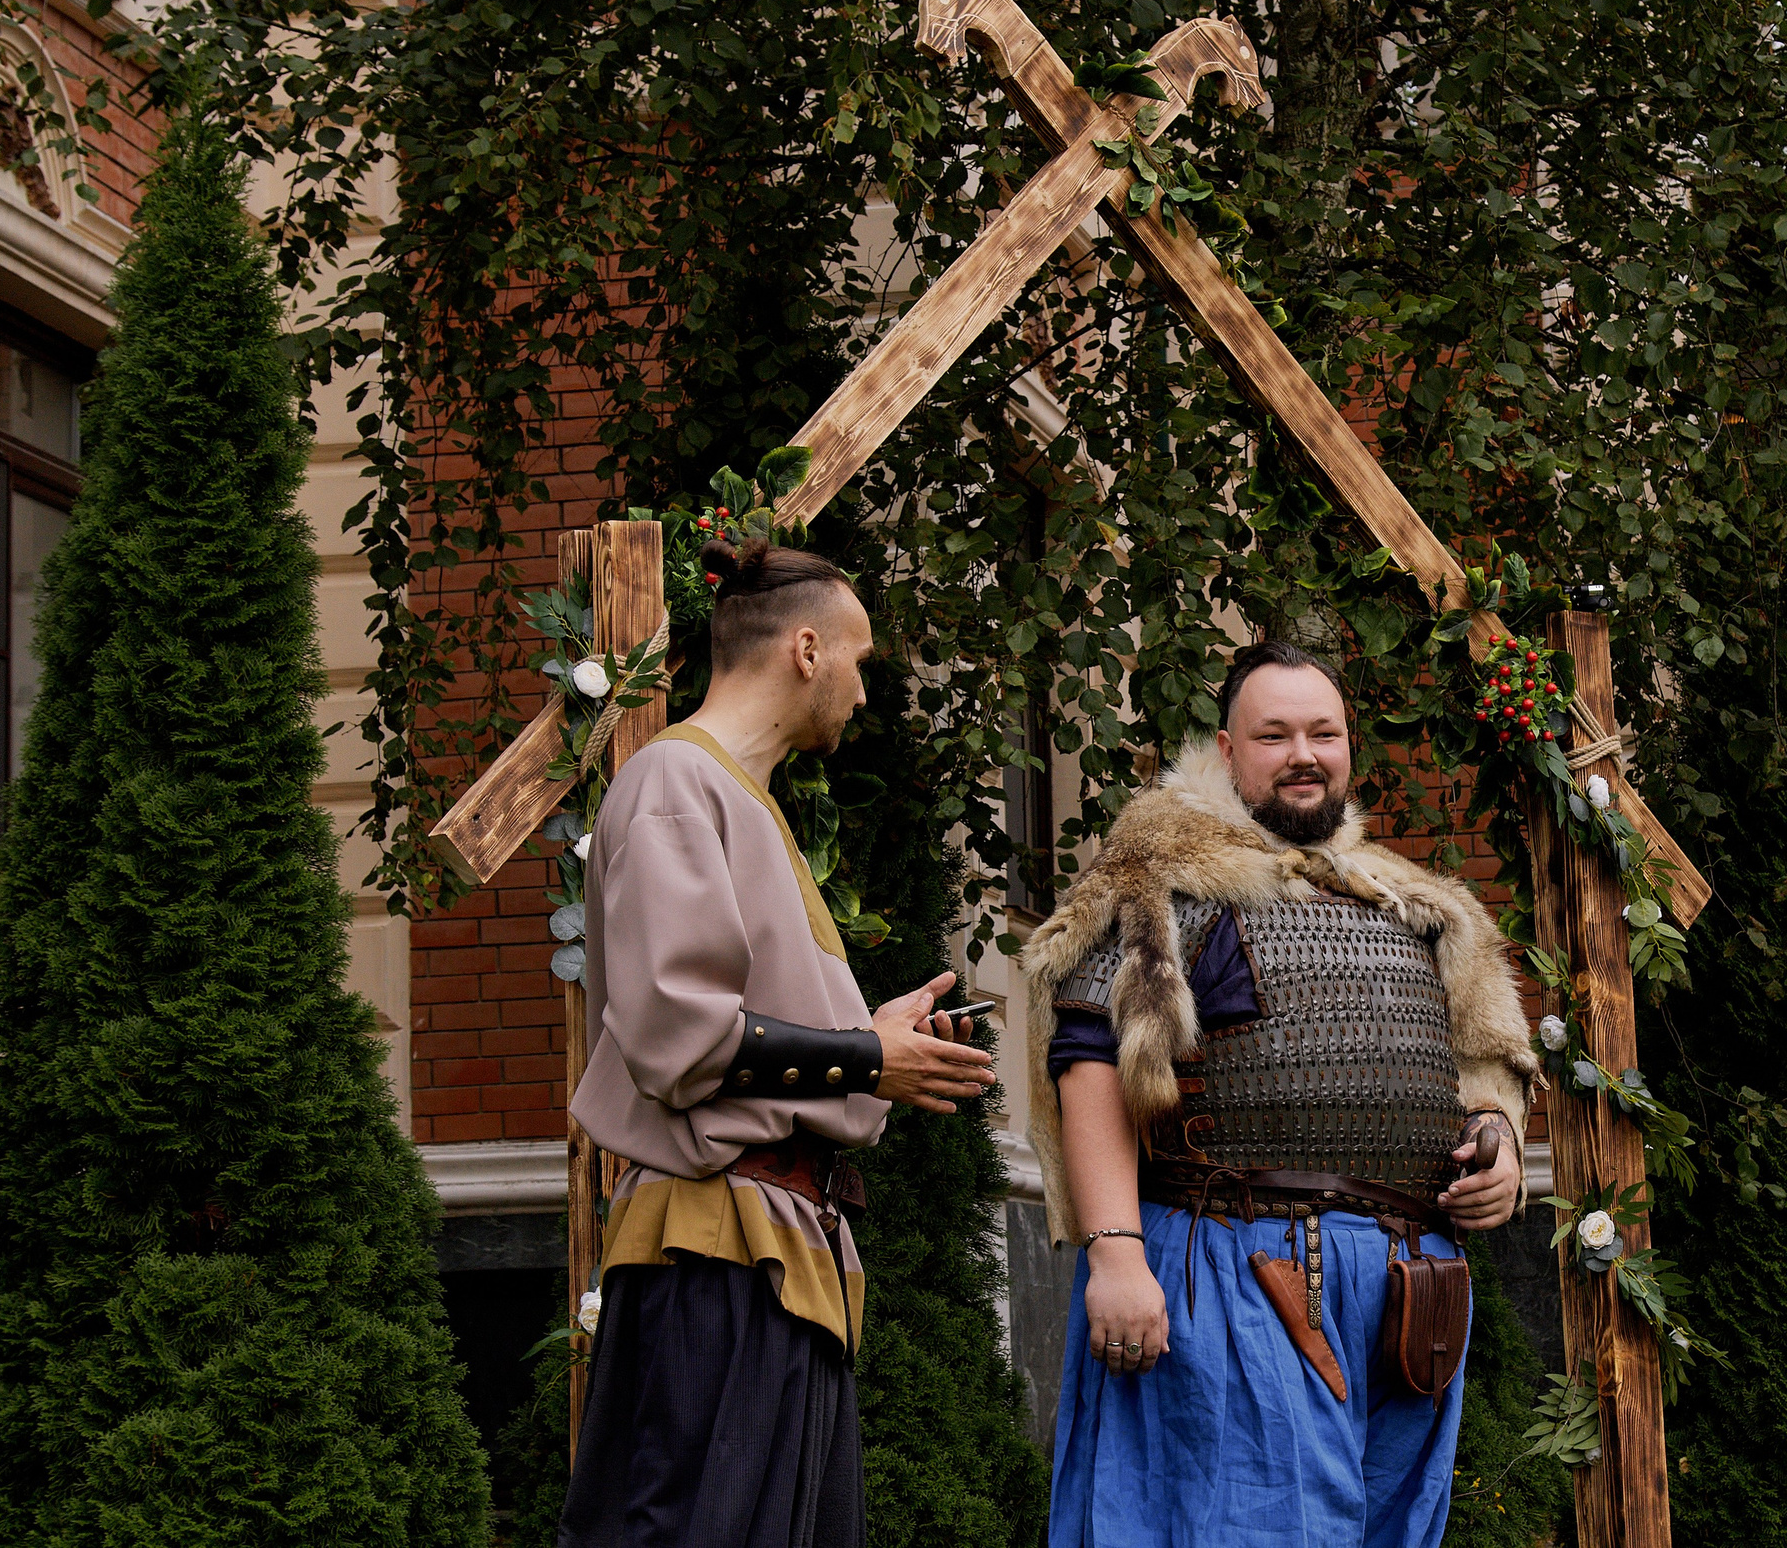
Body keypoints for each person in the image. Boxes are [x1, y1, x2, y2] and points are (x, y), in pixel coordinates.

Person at [1023, 639, 1541, 1548]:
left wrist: (1496, 1143)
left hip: (1407, 1300)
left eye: (1324, 733)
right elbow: (1090, 1054)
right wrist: (1114, 1251)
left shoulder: (1409, 903)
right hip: (1234, 1270)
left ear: (1349, 749)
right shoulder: (1166, 879)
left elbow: (1487, 1061)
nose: (1304, 753)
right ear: (1227, 752)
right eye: (1275, 734)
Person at [559, 537, 996, 1548]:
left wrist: (871, 1039)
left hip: (773, 1253)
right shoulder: (676, 783)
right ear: (806, 648)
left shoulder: (736, 801)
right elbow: (678, 1037)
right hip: (716, 1254)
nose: (862, 687)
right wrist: (864, 1059)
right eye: (860, 658)